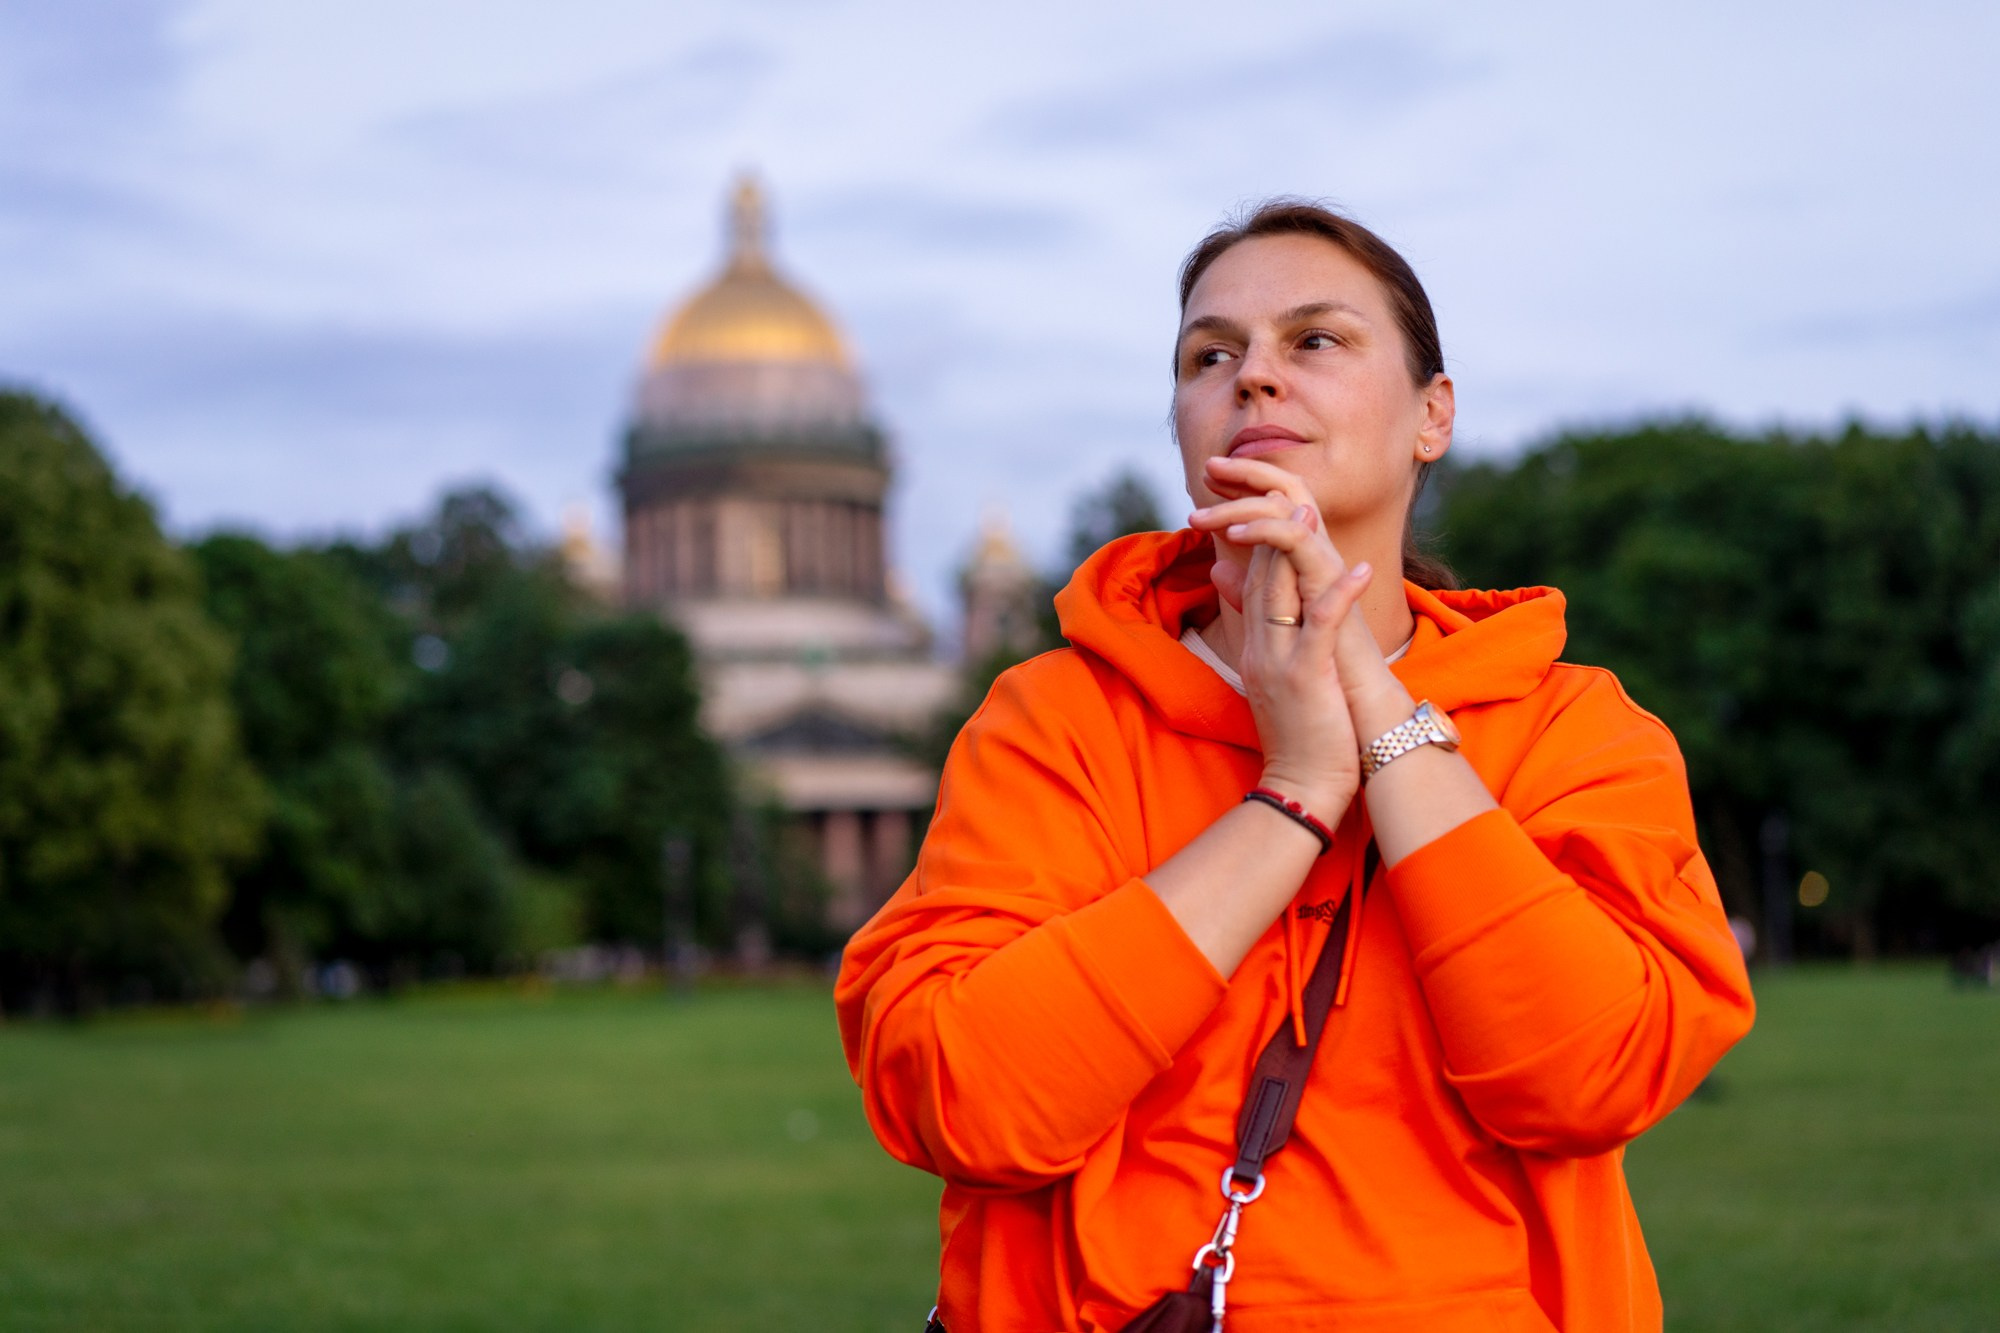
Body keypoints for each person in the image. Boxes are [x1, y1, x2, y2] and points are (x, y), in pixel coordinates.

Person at [835, 200, 1755, 1332]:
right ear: (1182, 426)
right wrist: (1294, 794)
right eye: (1209, 354)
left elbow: (1586, 1076)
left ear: (1432, 415)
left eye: (1313, 340)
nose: (1253, 377)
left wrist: (1365, 701)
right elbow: (968, 1100)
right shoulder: (1051, 722)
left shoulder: (1576, 730)